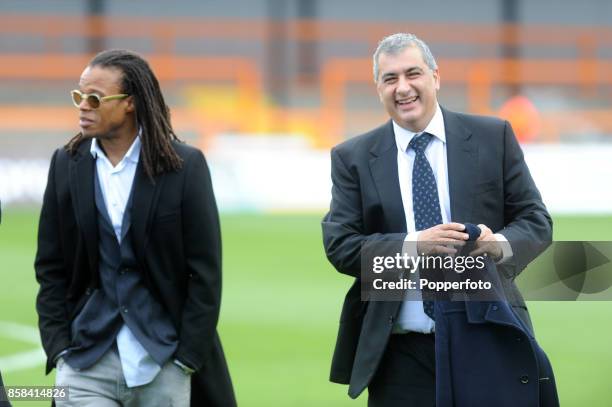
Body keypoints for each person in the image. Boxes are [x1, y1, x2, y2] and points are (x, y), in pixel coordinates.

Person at [322, 33, 556, 406]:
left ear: (435, 76)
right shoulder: (352, 157)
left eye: (412, 74)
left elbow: (536, 221)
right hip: (400, 354)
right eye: (390, 78)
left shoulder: (492, 137)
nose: (403, 88)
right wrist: (413, 246)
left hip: (485, 334)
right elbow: (341, 246)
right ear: (378, 88)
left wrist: (498, 247)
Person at [35, 49, 235, 407]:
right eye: (79, 96)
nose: (83, 105)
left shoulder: (184, 167)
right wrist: (59, 347)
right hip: (85, 362)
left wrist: (186, 357)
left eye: (94, 98)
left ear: (129, 103)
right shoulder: (66, 164)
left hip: (163, 362)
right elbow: (51, 267)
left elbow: (205, 272)